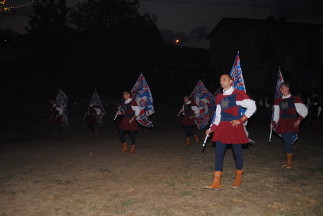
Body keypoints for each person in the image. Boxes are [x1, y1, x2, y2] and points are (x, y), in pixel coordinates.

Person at [205, 74, 256, 191]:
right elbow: (218, 115)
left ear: (231, 81)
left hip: (234, 127)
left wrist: (242, 119)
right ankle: (216, 182)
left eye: (224, 79)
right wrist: (212, 128)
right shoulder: (219, 97)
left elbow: (252, 106)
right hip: (222, 127)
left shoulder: (238, 93)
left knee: (237, 152)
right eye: (220, 80)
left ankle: (238, 178)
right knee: (218, 154)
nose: (221, 81)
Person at [270, 83, 308, 168]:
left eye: (281, 88)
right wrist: (273, 123)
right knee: (286, 141)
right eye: (280, 88)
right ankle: (288, 161)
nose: (280, 89)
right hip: (282, 123)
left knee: (287, 140)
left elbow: (304, 111)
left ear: (287, 88)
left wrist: (299, 120)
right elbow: (276, 113)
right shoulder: (278, 100)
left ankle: (290, 162)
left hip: (291, 123)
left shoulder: (295, 99)